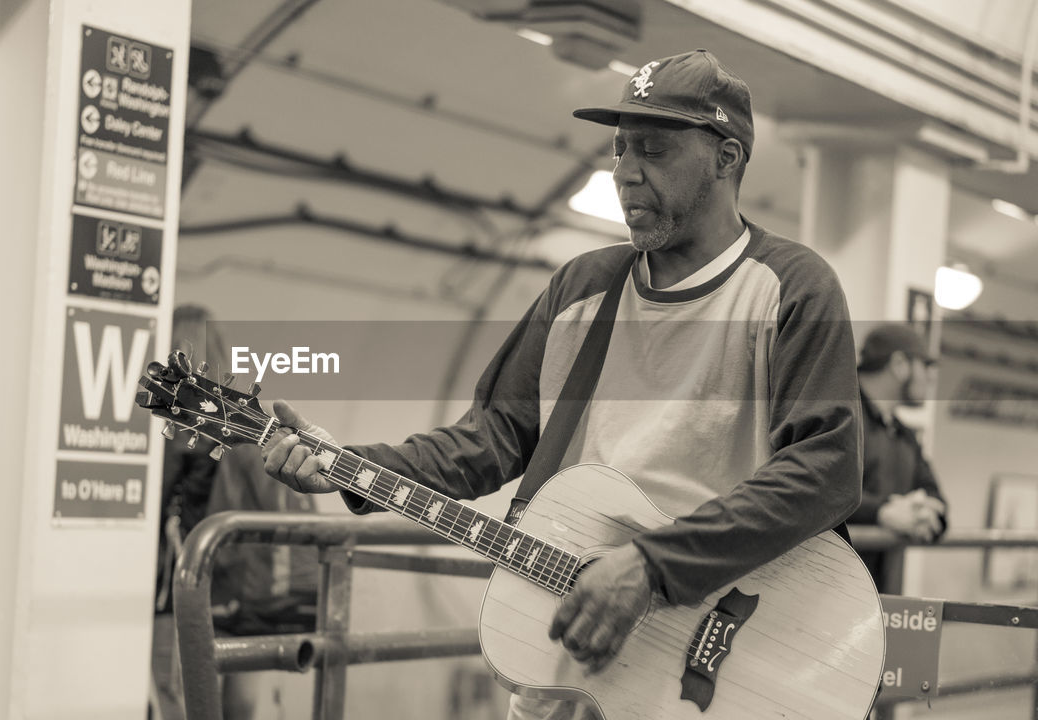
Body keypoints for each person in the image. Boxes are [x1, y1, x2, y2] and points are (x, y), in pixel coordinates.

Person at [263, 49, 863, 720]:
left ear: (727, 157)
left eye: (654, 151)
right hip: (566, 653)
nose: (626, 174)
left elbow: (824, 469)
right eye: (619, 150)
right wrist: (346, 466)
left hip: (717, 646)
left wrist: (650, 565)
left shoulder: (790, 288)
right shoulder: (583, 288)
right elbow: (490, 438)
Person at [151, 305, 318, 720]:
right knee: (239, 704)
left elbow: (164, 503)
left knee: (178, 692)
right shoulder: (244, 419)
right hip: (245, 586)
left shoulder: (179, 424)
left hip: (189, 579)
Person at [846, 323, 948, 587]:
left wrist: (927, 514)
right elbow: (820, 491)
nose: (931, 377)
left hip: (882, 599)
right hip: (827, 596)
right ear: (900, 364)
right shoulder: (838, 417)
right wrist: (881, 512)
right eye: (926, 365)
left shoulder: (904, 435)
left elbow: (935, 495)